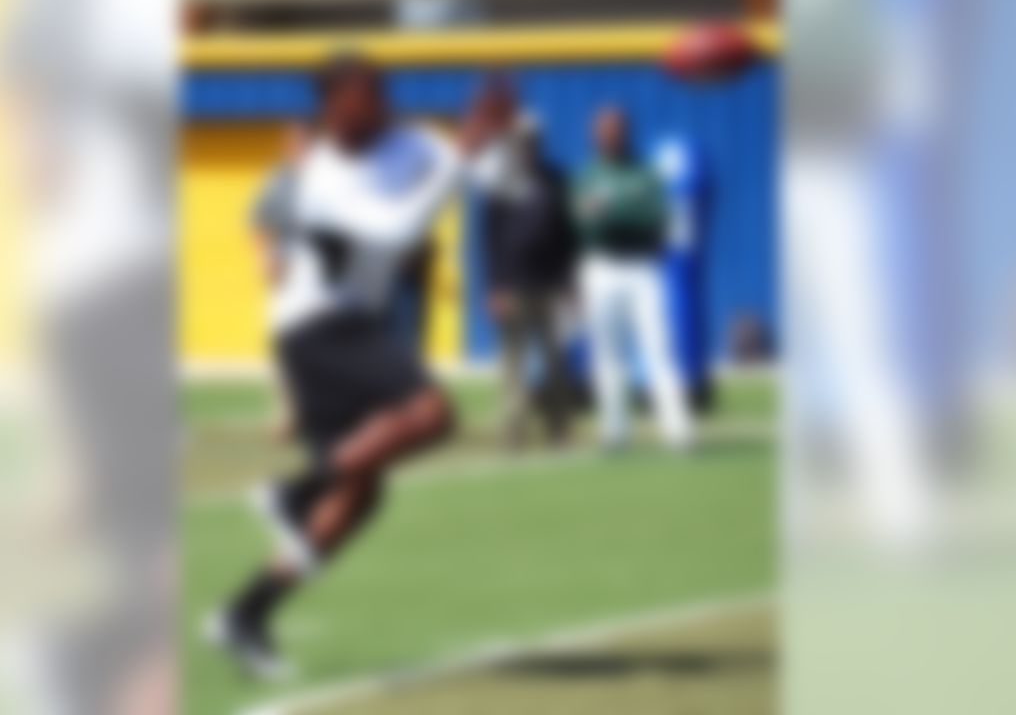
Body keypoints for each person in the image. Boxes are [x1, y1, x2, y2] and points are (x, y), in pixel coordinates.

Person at [209, 52, 495, 677]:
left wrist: (497, 141)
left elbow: (486, 177)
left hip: (351, 319)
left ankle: (246, 613)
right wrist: (458, 165)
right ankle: (292, 490)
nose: (383, 102)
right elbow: (393, 238)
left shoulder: (415, 141)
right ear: (334, 106)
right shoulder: (320, 180)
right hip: (315, 325)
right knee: (433, 414)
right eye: (367, 94)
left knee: (362, 495)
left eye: (383, 90)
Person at [573, 106, 695, 450]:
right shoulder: (587, 175)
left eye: (615, 129)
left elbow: (659, 219)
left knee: (659, 346)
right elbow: (585, 223)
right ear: (594, 135)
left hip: (642, 268)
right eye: (602, 129)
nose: (609, 135)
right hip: (600, 268)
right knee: (607, 353)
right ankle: (615, 430)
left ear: (626, 132)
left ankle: (677, 428)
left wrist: (615, 212)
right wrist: (619, 213)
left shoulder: (645, 173)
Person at [471, 82, 577, 448]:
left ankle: (558, 427)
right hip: (513, 286)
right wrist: (493, 286)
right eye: (521, 139)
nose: (528, 144)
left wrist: (571, 283)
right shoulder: (501, 182)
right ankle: (513, 430)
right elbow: (490, 240)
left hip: (549, 285)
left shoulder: (557, 180)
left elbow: (569, 236)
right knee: (512, 363)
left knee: (554, 361)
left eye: (533, 139)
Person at [251, 123, 311, 443]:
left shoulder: (332, 179)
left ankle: (321, 413)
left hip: (327, 272)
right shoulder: (278, 182)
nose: (298, 149)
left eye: (303, 143)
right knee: (283, 343)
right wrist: (265, 258)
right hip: (287, 269)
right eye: (292, 144)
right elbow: (258, 222)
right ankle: (289, 415)